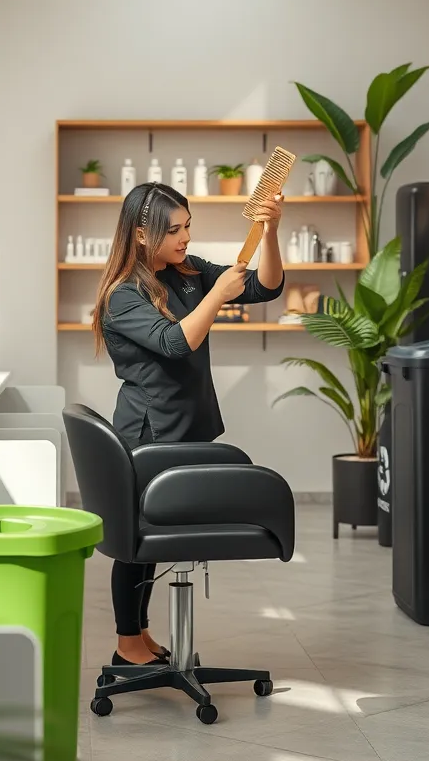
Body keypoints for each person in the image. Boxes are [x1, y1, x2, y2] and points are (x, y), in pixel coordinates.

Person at [90, 181, 285, 667]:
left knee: (149, 539)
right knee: (137, 543)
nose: (184, 238)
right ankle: (127, 641)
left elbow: (265, 286)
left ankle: (138, 637)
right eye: (173, 230)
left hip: (190, 428)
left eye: (188, 226)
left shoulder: (187, 273)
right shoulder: (123, 295)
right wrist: (217, 295)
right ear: (140, 234)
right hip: (150, 434)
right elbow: (177, 343)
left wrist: (271, 232)